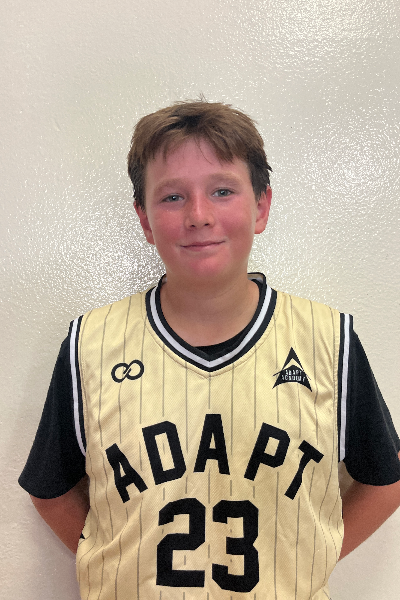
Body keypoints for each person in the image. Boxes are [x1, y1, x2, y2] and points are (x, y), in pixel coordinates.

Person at [19, 100, 400, 600]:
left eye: (222, 191)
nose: (198, 216)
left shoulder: (327, 340)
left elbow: (386, 480)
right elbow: (50, 490)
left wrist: (309, 558)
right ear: (145, 219)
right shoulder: (90, 344)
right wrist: (113, 563)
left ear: (261, 206)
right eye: (172, 197)